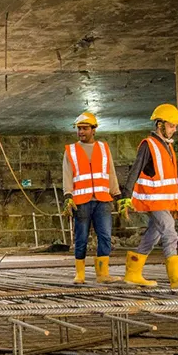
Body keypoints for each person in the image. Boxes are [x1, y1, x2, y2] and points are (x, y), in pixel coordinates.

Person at [125, 104, 178, 289]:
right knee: (170, 232)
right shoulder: (148, 145)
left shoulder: (167, 147)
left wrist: (175, 204)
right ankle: (177, 278)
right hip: (152, 200)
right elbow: (134, 171)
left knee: (153, 235)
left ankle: (133, 273)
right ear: (160, 124)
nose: (174, 129)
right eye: (172, 125)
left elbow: (168, 181)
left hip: (162, 201)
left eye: (175, 126)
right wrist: (125, 197)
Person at [62, 112, 121, 284]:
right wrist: (68, 196)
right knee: (81, 237)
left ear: (93, 130)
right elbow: (67, 175)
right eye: (79, 129)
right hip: (81, 202)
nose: (81, 132)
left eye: (85, 128)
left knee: (105, 236)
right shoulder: (70, 151)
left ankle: (103, 273)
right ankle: (80, 274)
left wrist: (117, 195)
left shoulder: (104, 148)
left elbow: (111, 172)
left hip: (102, 199)